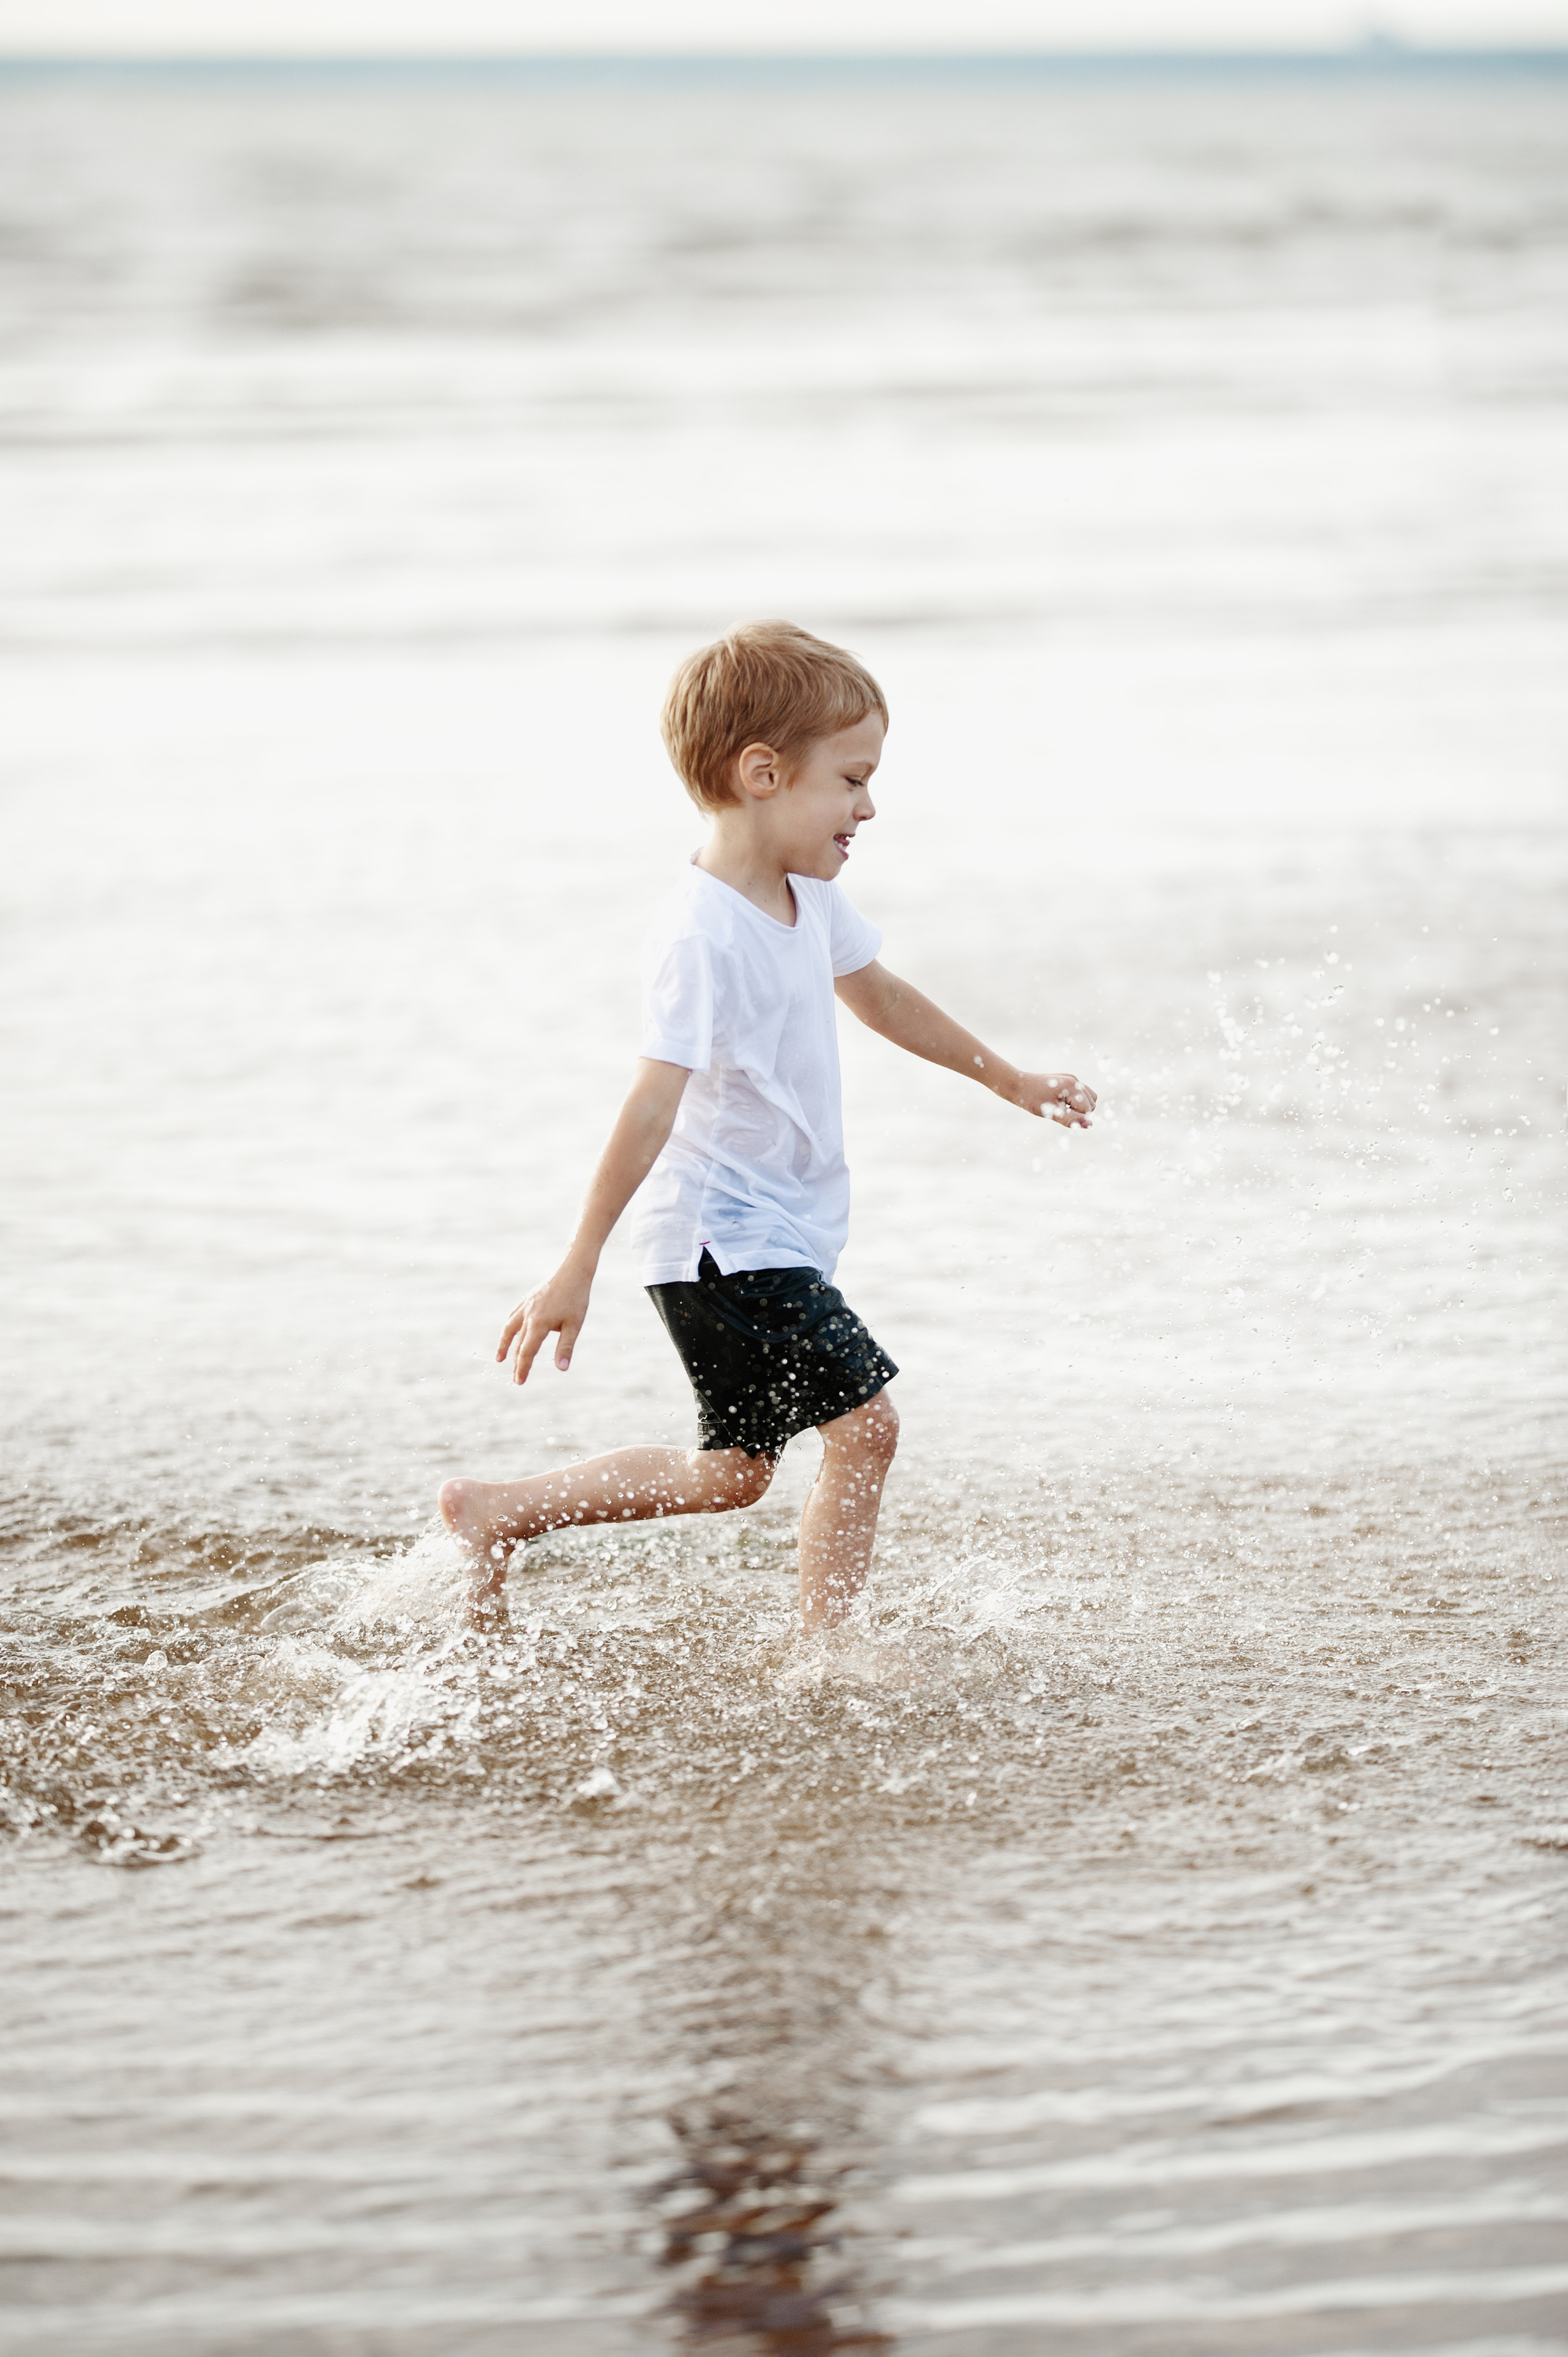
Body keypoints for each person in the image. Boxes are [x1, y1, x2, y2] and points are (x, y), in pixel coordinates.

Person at [440, 621, 1095, 1631]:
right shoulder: (700, 934)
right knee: (866, 1428)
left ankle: (499, 1514)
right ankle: (827, 1649)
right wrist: (579, 1260)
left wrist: (1009, 1080)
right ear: (761, 774)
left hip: (764, 1235)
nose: (869, 807)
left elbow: (879, 997)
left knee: (734, 1472)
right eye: (851, 779)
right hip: (721, 1239)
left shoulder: (806, 898)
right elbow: (652, 1101)